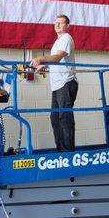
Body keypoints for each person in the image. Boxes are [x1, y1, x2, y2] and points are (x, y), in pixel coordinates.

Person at [30, 14, 78, 152]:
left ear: (67, 26)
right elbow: (56, 62)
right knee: (55, 118)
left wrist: (41, 59)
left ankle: (68, 153)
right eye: (56, 23)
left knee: (64, 118)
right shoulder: (57, 42)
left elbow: (57, 58)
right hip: (57, 85)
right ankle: (61, 151)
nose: (57, 25)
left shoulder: (66, 39)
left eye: (61, 23)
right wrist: (45, 66)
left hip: (66, 83)